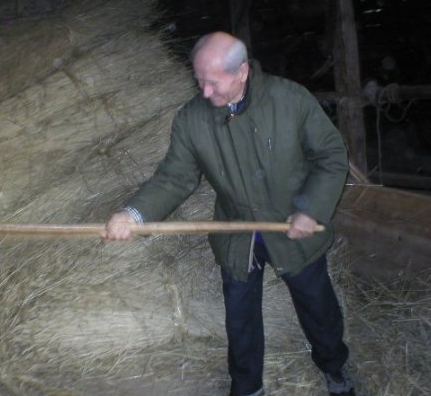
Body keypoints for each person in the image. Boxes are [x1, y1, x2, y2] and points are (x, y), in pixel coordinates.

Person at [104, 32, 354, 396]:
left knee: (317, 307)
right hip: (237, 232)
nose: (205, 92)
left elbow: (331, 156)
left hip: (292, 225)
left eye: (213, 82)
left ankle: (334, 368)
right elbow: (175, 178)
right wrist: (134, 214)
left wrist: (311, 210)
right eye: (199, 81)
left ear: (242, 72)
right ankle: (247, 386)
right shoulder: (192, 120)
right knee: (240, 318)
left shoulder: (289, 100)